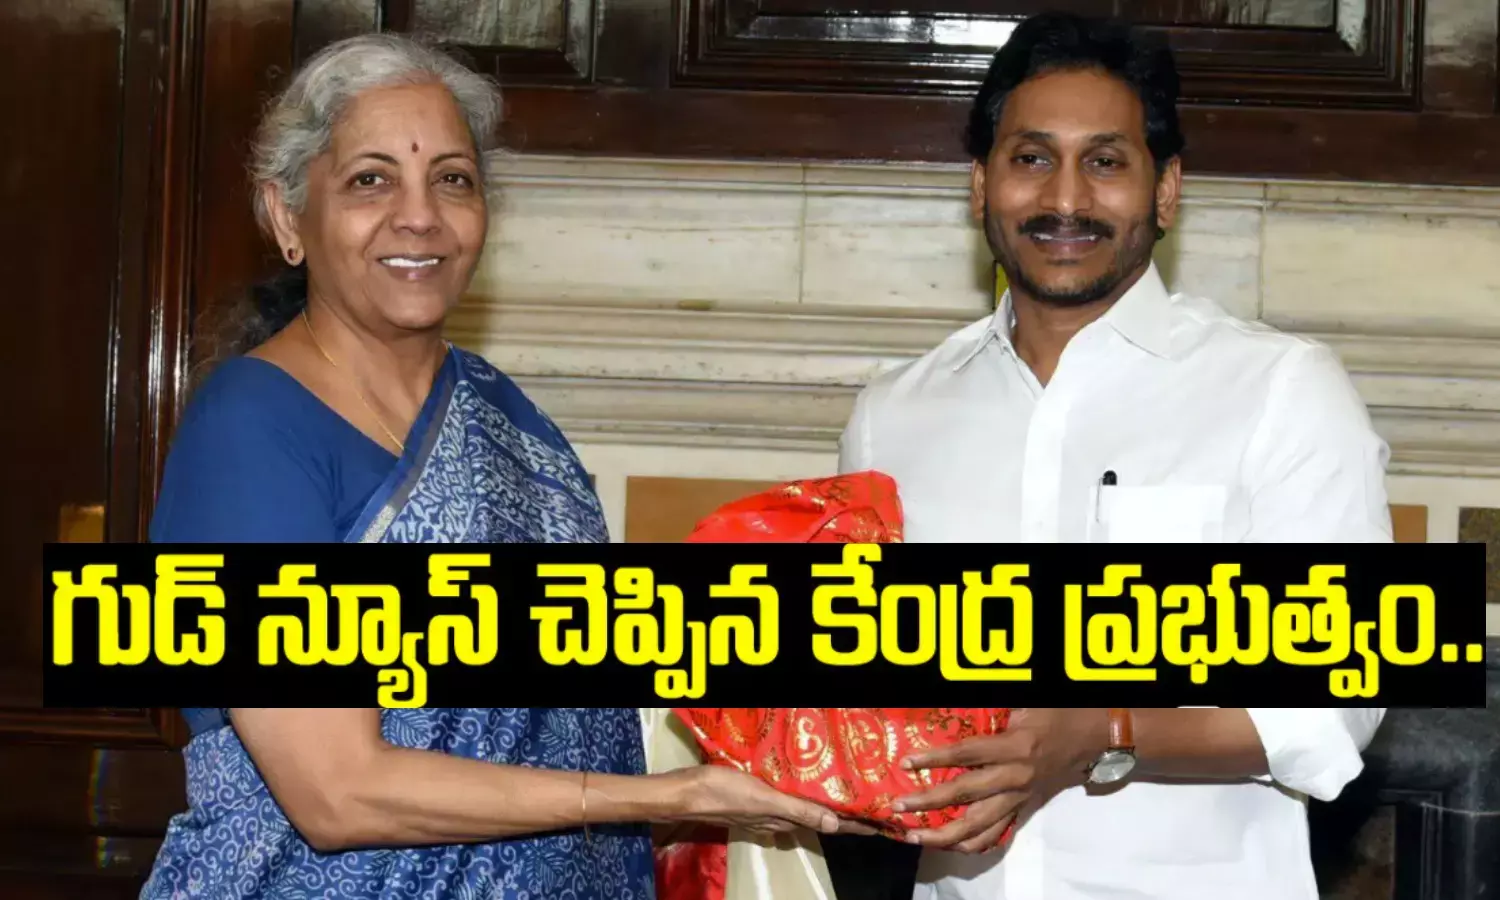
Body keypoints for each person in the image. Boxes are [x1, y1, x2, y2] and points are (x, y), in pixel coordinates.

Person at [141, 33, 864, 900]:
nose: (419, 216)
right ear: (288, 216)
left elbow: (571, 714)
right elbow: (335, 793)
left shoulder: (514, 424)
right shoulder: (251, 429)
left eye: (452, 179)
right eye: (371, 180)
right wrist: (665, 796)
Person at [836, 12, 1389, 900]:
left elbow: (1333, 709)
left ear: (1165, 190)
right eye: (1030, 158)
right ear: (980, 185)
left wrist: (1105, 732)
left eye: (1105, 161)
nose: (1065, 199)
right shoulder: (892, 415)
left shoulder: (1280, 389)